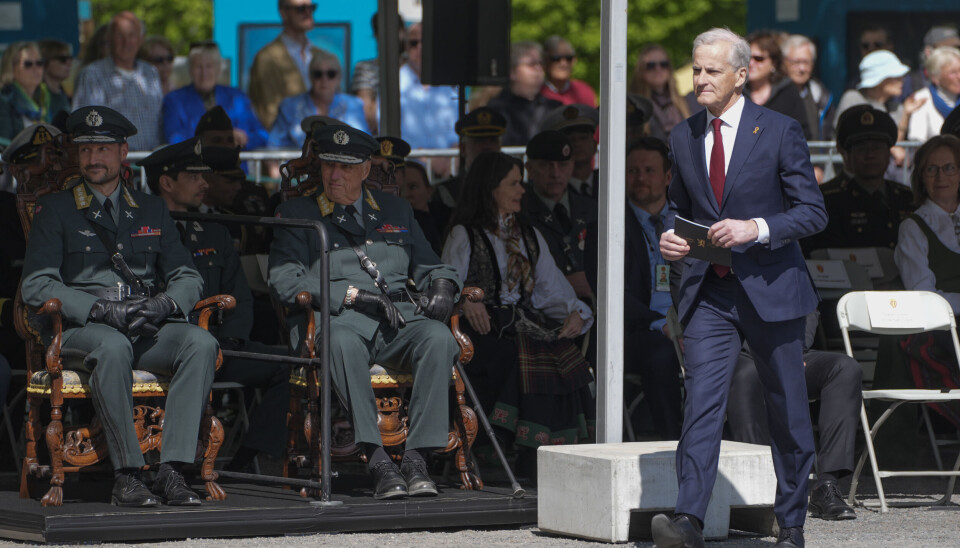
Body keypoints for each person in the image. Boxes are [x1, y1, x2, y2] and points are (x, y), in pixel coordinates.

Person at [653, 28, 826, 548]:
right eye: (696, 68)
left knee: (788, 408)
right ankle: (689, 520)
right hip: (710, 292)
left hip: (771, 287)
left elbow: (813, 212)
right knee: (701, 403)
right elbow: (677, 209)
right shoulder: (683, 136)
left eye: (711, 70)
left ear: (741, 75)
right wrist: (671, 236)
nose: (699, 78)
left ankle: (791, 522)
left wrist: (757, 228)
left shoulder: (778, 130)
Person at [19, 106, 218, 507]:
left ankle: (172, 471)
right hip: (81, 327)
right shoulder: (55, 208)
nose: (94, 157)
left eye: (103, 149)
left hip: (142, 321)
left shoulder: (150, 209)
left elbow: (187, 275)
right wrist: (97, 310)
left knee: (199, 343)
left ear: (123, 152)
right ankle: (127, 475)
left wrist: (165, 303)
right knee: (113, 347)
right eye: (86, 148)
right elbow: (36, 283)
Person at [269, 124, 462, 500]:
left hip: (396, 323)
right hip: (341, 322)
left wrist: (443, 284)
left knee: (439, 338)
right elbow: (285, 281)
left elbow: (430, 263)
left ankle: (417, 459)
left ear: (366, 169)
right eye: (327, 165)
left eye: (344, 167)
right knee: (341, 342)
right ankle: (377, 460)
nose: (333, 175)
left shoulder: (395, 209)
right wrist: (353, 295)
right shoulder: (297, 213)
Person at [140, 137, 290, 473]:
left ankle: (247, 458)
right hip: (159, 349)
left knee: (290, 366)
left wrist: (231, 340)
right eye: (194, 177)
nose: (205, 183)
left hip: (219, 348)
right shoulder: (140, 231)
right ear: (166, 182)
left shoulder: (213, 232)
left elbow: (241, 296)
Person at [442, 151, 594, 479]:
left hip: (522, 326)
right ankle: (506, 449)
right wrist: (464, 300)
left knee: (564, 357)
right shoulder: (464, 235)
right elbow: (445, 288)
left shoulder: (529, 236)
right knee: (515, 358)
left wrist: (576, 314)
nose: (522, 190)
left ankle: (541, 454)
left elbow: (553, 293)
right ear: (489, 188)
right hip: (479, 333)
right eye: (513, 183)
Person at [584, 137, 683, 440]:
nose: (640, 178)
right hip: (636, 329)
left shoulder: (688, 221)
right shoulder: (607, 225)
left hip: (689, 322)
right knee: (662, 355)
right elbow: (610, 293)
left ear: (668, 177)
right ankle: (673, 444)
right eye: (632, 171)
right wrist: (660, 323)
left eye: (649, 170)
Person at [726, 311, 861, 521]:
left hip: (788, 349)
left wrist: (793, 352)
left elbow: (807, 306)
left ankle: (826, 485)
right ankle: (759, 487)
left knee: (845, 368)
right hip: (740, 352)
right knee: (747, 376)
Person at [803, 105, 914, 254]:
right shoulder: (827, 200)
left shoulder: (906, 197)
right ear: (847, 154)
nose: (870, 155)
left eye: (877, 148)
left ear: (889, 154)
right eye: (861, 149)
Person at [521, 131, 597, 299]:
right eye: (545, 165)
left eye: (562, 165)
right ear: (530, 169)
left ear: (571, 167)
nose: (555, 173)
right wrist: (564, 283)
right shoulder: (519, 212)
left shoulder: (592, 209)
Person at [73, 12, 164, 152]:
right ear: (109, 39)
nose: (126, 42)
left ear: (141, 39)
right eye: (120, 36)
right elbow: (86, 127)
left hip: (150, 165)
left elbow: (160, 121)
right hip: (115, 168)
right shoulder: (92, 74)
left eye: (132, 36)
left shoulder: (151, 73)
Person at [895, 134, 960, 314]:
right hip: (945, 329)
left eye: (949, 168)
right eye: (931, 169)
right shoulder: (913, 228)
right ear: (921, 177)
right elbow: (923, 297)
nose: (941, 177)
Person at [162, 41, 267, 149]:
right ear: (190, 69)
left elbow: (262, 136)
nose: (204, 73)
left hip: (234, 164)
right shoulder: (174, 100)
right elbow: (173, 138)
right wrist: (214, 138)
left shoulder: (237, 97)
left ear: (218, 69)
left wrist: (245, 138)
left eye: (209, 66)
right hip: (195, 164)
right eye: (198, 67)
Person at [268, 49, 369, 149]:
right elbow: (273, 146)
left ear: (339, 78)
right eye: (318, 74)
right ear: (310, 77)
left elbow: (365, 143)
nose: (324, 79)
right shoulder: (289, 106)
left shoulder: (354, 105)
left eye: (331, 74)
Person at [248, 0, 322, 129]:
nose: (308, 12)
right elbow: (269, 114)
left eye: (311, 7)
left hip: (322, 141)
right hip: (288, 144)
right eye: (301, 8)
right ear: (283, 13)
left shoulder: (324, 56)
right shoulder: (266, 58)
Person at [399, 23, 459, 177]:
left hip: (449, 172)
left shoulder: (449, 83)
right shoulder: (394, 84)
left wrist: (451, 163)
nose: (420, 47)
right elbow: (391, 133)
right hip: (407, 172)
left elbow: (459, 132)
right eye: (414, 43)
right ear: (405, 47)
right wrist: (428, 160)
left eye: (425, 42)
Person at [487, 42, 562, 147]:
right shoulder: (496, 108)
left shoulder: (554, 108)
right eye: (531, 64)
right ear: (512, 72)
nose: (538, 69)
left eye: (540, 64)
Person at [432, 107, 508, 209]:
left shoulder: (516, 189)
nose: (487, 146)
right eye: (479, 140)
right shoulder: (447, 192)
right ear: (463, 148)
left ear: (499, 146)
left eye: (493, 140)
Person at [0, 42, 70, 147]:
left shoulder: (53, 97)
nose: (36, 69)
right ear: (11, 68)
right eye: (28, 64)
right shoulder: (4, 100)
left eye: (39, 63)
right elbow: (3, 142)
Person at [745, 31, 811, 140]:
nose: (751, 63)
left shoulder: (788, 92)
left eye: (759, 58)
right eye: (748, 58)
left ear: (773, 63)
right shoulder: (736, 92)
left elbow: (802, 133)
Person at [350, 12, 406, 135]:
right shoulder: (365, 68)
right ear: (376, 35)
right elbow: (369, 117)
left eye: (398, 29)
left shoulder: (413, 68)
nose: (394, 36)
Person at [630, 44, 691, 142]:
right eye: (650, 66)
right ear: (640, 71)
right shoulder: (632, 108)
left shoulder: (685, 103)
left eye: (663, 64)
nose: (658, 69)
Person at [540, 104, 600, 198]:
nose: (577, 144)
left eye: (583, 138)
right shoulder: (549, 187)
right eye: (570, 140)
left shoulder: (609, 181)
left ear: (595, 145)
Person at [782, 35, 832, 141]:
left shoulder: (821, 95)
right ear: (784, 62)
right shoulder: (774, 94)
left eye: (806, 62)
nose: (802, 68)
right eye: (796, 62)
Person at [907, 46, 960, 142]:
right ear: (935, 77)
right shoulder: (923, 98)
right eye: (953, 72)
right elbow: (916, 141)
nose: (959, 76)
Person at [539, 36, 597, 107]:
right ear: (544, 62)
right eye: (556, 58)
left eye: (568, 58)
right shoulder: (534, 93)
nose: (563, 63)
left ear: (574, 61)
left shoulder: (584, 91)